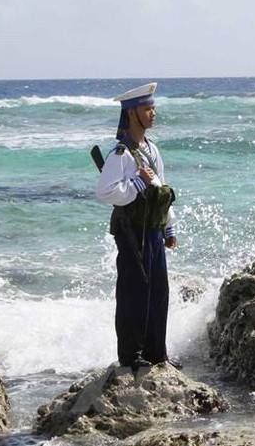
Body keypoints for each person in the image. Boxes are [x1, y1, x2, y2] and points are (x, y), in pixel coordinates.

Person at [96, 82, 178, 372]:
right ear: (132, 114)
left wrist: (169, 228)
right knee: (134, 293)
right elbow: (106, 191)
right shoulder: (121, 153)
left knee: (158, 291)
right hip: (132, 231)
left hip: (153, 230)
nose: (153, 113)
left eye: (153, 107)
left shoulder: (152, 149)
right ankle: (131, 355)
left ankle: (157, 352)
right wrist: (136, 183)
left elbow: (160, 190)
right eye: (147, 109)